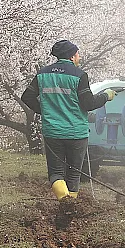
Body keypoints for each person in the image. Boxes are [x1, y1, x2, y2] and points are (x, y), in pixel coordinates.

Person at [20, 40, 115, 201]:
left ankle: (64, 202)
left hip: (53, 132)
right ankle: (69, 205)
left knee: (56, 173)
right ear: (72, 56)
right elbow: (89, 103)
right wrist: (107, 96)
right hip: (76, 133)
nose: (79, 56)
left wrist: (45, 110)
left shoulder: (43, 74)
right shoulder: (79, 75)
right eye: (78, 53)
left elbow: (27, 97)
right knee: (73, 174)